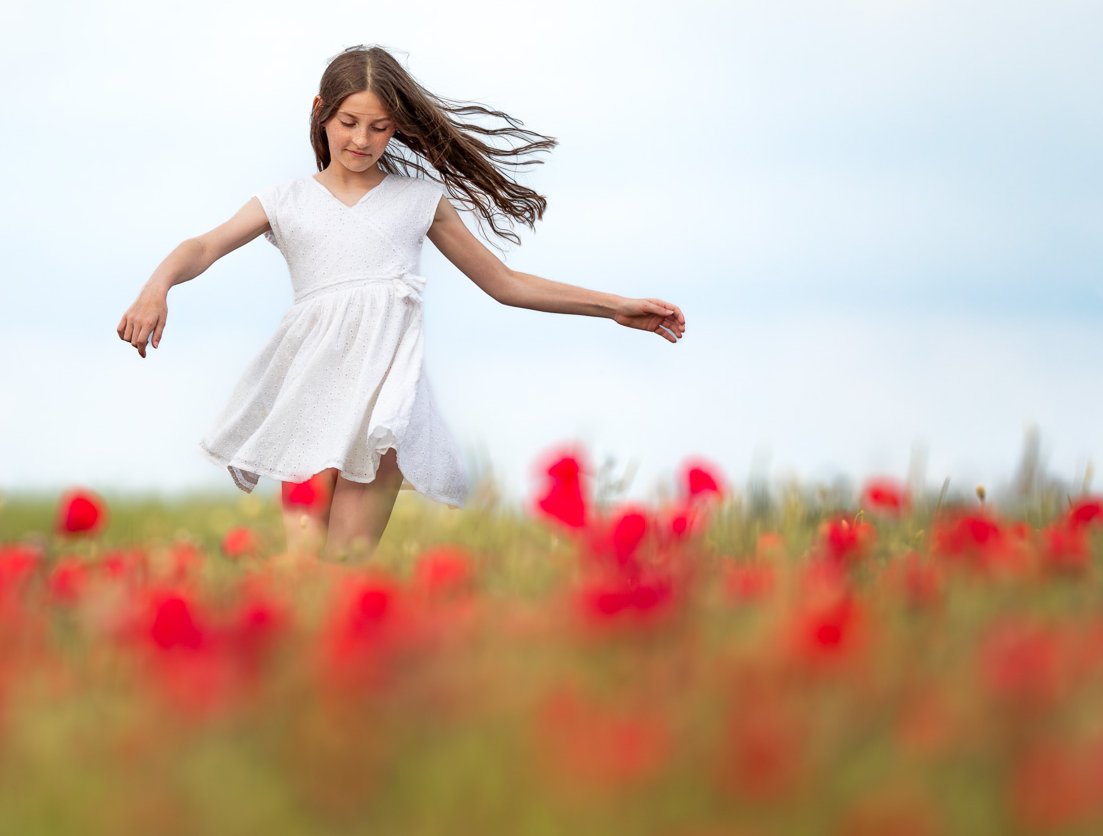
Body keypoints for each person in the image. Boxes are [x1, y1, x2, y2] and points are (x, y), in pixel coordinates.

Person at [117, 46, 685, 561]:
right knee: (301, 570)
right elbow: (205, 244)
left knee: (343, 569)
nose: (361, 140)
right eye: (349, 123)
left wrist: (614, 306)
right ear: (321, 112)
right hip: (310, 398)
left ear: (397, 129)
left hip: (383, 412)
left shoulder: (419, 201)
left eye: (380, 128)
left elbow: (505, 283)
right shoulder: (286, 200)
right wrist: (157, 285)